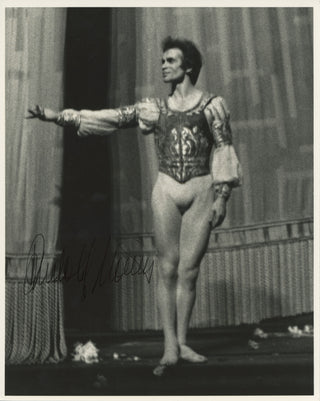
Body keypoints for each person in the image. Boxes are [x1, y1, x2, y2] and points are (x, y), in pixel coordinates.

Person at [28, 36, 242, 376]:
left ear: (188, 67)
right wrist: (61, 117)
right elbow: (113, 118)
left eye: (171, 60)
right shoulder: (153, 108)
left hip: (201, 189)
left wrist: (222, 197)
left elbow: (224, 148)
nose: (163, 65)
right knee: (167, 268)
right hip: (167, 190)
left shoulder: (212, 105)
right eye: (162, 60)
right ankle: (170, 345)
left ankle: (183, 342)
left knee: (189, 271)